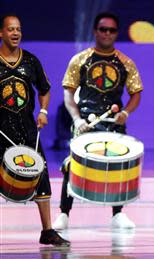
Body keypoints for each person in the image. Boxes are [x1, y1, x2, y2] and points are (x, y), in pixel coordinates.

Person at [52, 12, 143, 230]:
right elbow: (68, 93)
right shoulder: (80, 60)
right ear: (95, 31)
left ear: (116, 33)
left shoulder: (126, 63)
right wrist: (76, 118)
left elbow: (136, 94)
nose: (107, 34)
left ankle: (118, 214)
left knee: (118, 167)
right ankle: (64, 213)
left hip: (114, 123)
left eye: (111, 30)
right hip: (86, 121)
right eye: (103, 29)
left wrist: (126, 113)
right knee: (73, 166)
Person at [0, 14, 70, 246]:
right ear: (1, 33)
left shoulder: (30, 61)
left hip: (27, 128)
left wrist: (44, 112)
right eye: (10, 29)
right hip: (0, 129)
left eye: (18, 29)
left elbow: (44, 89)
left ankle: (47, 230)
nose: (15, 33)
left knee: (40, 176)